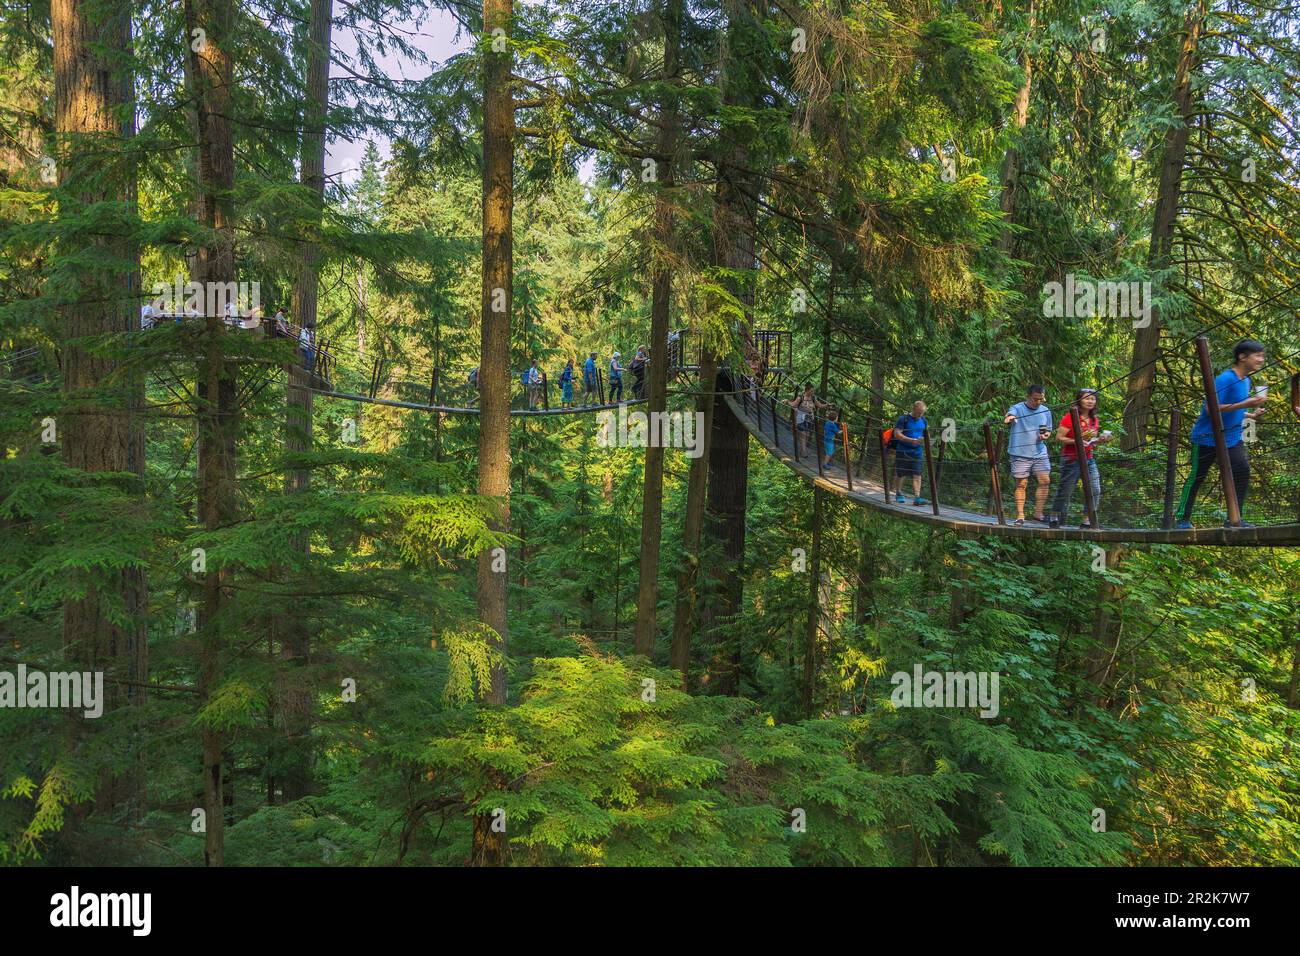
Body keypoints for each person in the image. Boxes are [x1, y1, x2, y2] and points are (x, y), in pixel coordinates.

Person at [1175, 339, 1268, 529]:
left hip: (1232, 437)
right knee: (1197, 477)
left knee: (1241, 471)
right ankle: (1182, 518)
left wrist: (1251, 414)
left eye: (1262, 356)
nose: (1261, 360)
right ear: (1243, 357)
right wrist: (1247, 404)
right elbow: (1212, 409)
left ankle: (1235, 519)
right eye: (1257, 355)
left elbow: (1232, 409)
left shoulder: (1246, 380)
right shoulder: (1225, 379)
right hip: (1207, 437)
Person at [1048, 389, 1111, 529]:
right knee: (1066, 490)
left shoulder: (1095, 420)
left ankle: (1087, 520)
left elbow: (1089, 440)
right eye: (1086, 398)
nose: (1090, 401)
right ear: (1079, 400)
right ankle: (1054, 515)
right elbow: (1059, 438)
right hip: (1071, 459)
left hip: (1088, 458)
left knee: (1095, 488)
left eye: (1093, 399)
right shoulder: (1070, 417)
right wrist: (1076, 441)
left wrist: (1100, 440)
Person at [1004, 384, 1054, 526]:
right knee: (1022, 484)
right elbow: (1009, 414)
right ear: (1028, 396)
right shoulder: (1018, 408)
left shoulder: (1045, 411)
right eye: (1035, 399)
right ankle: (1020, 515)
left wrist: (1045, 436)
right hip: (1020, 453)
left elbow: (1048, 430)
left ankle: (1038, 514)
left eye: (1041, 399)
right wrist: (1010, 418)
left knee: (1045, 481)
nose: (1038, 402)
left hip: (1039, 452)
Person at [890, 400, 929, 506]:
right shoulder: (904, 419)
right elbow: (897, 434)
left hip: (917, 451)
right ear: (914, 409)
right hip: (904, 450)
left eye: (922, 413)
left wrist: (925, 441)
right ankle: (898, 492)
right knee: (901, 473)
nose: (920, 415)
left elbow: (925, 434)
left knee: (917, 473)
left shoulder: (924, 421)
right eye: (918, 412)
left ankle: (917, 497)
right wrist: (911, 440)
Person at [787, 382, 825, 458]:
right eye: (811, 391)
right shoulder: (800, 397)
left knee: (807, 435)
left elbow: (819, 405)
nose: (812, 392)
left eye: (813, 391)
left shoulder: (813, 398)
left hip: (810, 419)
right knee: (803, 435)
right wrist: (788, 401)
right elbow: (794, 405)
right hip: (801, 418)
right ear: (806, 390)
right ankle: (804, 452)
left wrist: (828, 405)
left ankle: (802, 450)